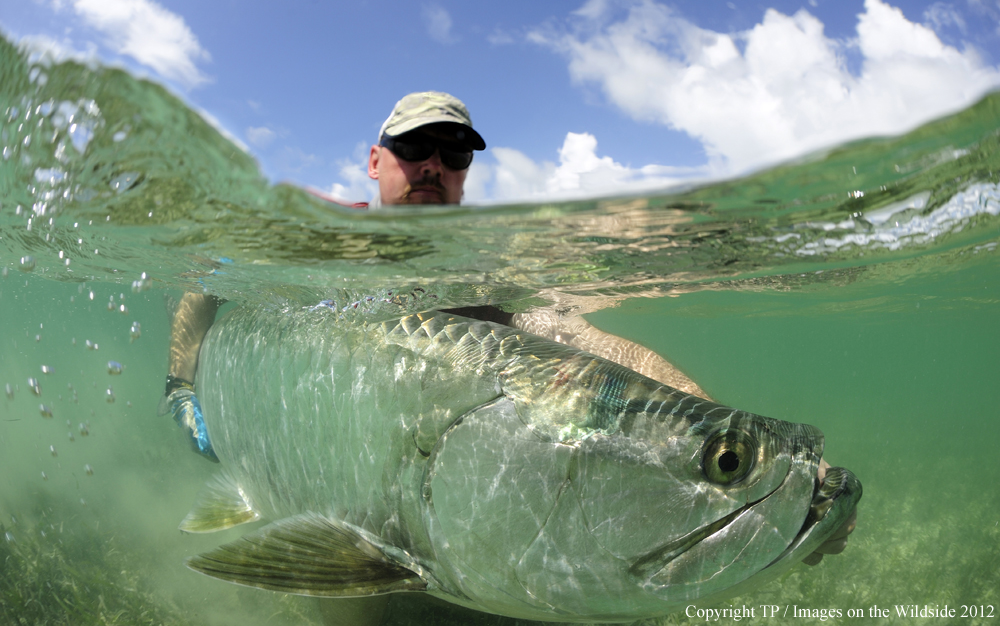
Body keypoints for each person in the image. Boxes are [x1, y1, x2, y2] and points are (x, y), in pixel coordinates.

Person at [162, 91, 852, 561]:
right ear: (374, 161)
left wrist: (738, 453)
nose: (433, 163)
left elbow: (594, 349)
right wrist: (182, 385)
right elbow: (205, 273)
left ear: (466, 176)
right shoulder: (305, 229)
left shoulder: (493, 280)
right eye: (413, 146)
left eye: (454, 153)